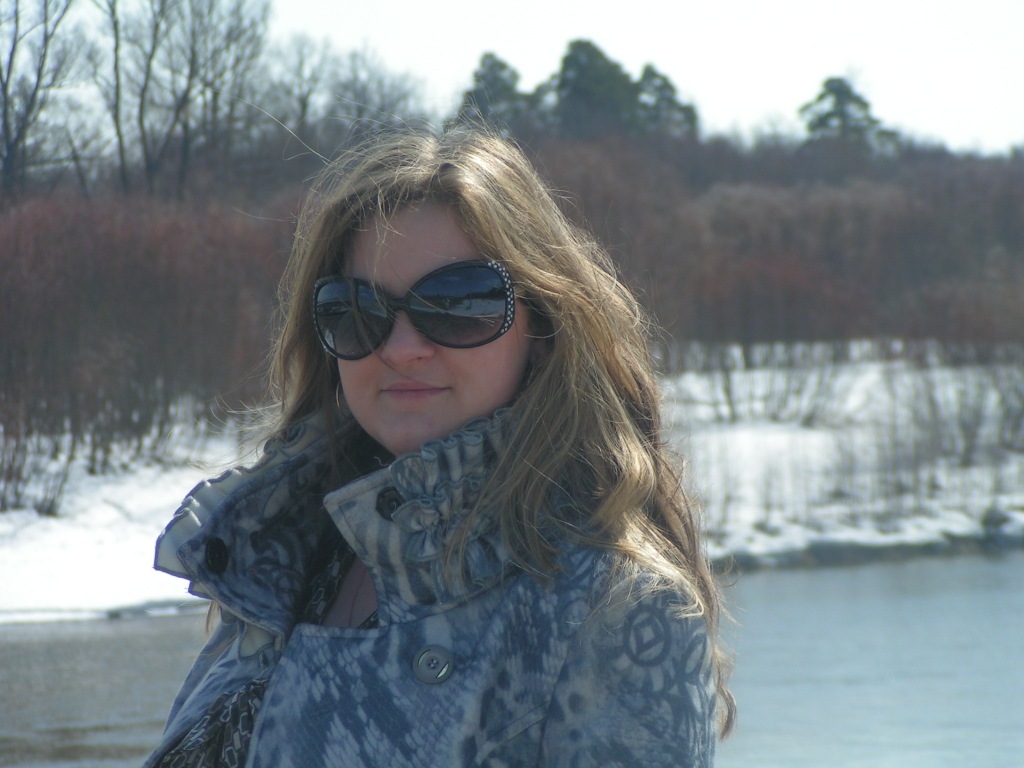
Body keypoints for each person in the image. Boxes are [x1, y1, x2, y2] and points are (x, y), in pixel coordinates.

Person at [145, 128, 735, 768]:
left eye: (458, 302)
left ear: (544, 325)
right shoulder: (275, 560)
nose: (401, 349)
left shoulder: (612, 610)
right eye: (358, 310)